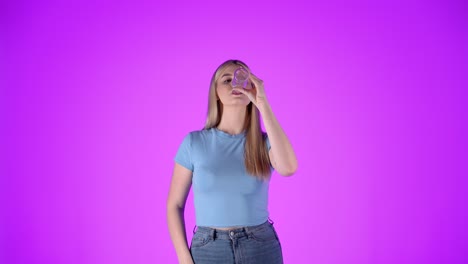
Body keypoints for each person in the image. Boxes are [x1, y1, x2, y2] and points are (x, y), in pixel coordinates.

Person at [166, 59, 298, 264]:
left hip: (259, 245)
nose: (235, 85)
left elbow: (289, 168)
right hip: (208, 248)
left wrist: (262, 103)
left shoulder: (264, 144)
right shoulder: (194, 143)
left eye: (242, 79)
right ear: (215, 92)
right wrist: (184, 258)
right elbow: (174, 204)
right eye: (227, 80)